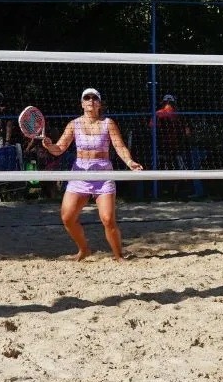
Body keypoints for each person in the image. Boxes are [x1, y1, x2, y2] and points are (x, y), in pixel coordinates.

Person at [34, 87, 143, 261]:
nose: (91, 100)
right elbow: (59, 149)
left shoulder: (108, 123)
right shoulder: (74, 124)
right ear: (82, 103)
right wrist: (49, 146)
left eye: (94, 98)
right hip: (80, 174)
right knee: (67, 217)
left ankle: (118, 255)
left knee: (108, 219)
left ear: (100, 103)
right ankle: (84, 249)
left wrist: (130, 162)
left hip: (102, 174)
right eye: (87, 97)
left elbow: (120, 147)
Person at [152, 93, 192, 197]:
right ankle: (176, 190)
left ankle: (162, 190)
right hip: (176, 147)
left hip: (160, 147)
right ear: (173, 103)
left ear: (163, 102)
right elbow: (187, 132)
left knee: (162, 169)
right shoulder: (178, 115)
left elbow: (151, 129)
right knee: (179, 169)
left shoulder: (157, 114)